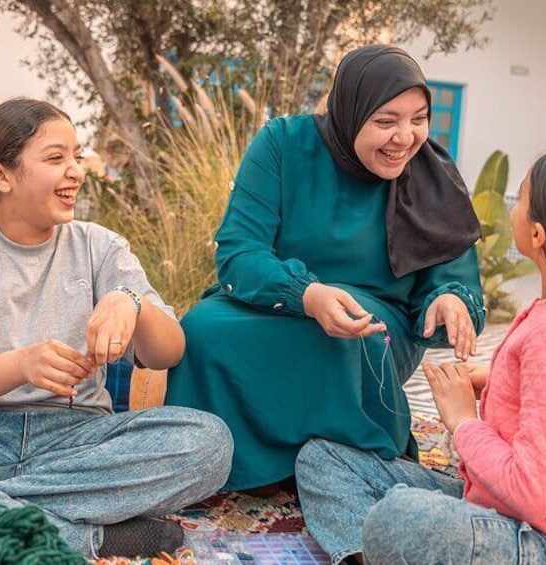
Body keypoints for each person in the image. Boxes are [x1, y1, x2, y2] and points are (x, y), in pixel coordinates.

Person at [0, 98, 233, 561]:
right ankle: (86, 537)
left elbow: (168, 354)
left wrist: (132, 303)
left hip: (78, 439)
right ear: (2, 176)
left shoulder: (100, 248)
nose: (76, 172)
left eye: (77, 156)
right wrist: (21, 365)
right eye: (56, 158)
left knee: (208, 444)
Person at [295, 149, 546, 564]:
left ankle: (384, 544)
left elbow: (533, 492)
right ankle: (366, 554)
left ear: (538, 236)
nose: (514, 208)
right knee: (322, 458)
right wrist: (499, 379)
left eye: (521, 198)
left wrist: (462, 420)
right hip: (503, 513)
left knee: (399, 516)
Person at [165, 45, 485, 493]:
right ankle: (212, 464)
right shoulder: (282, 143)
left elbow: (452, 277)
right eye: (387, 121)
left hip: (376, 319)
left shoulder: (432, 175)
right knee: (200, 328)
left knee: (354, 339)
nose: (406, 138)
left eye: (418, 118)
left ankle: (349, 472)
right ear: (351, 111)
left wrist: (448, 299)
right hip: (276, 298)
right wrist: (308, 295)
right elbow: (238, 251)